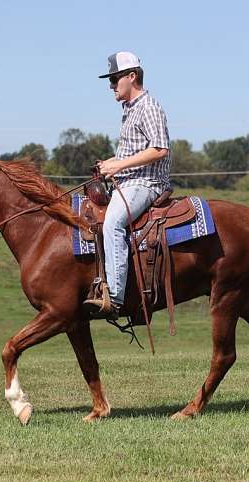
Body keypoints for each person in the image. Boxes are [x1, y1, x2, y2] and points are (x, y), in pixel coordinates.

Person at [84, 51, 171, 319]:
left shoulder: (149, 107)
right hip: (130, 180)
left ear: (131, 77)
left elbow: (159, 149)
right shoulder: (129, 109)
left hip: (148, 183)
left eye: (114, 79)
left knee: (112, 223)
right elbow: (134, 152)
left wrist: (118, 166)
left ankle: (115, 297)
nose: (111, 86)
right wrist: (110, 164)